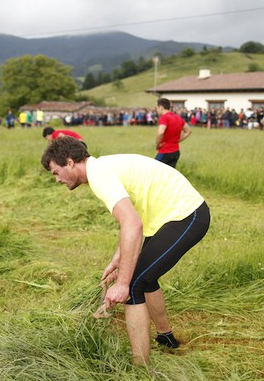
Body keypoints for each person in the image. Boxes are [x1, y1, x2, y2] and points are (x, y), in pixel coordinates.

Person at [41, 137, 210, 365]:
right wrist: (118, 258)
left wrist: (122, 282)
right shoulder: (102, 168)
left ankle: (141, 367)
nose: (57, 179)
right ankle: (166, 338)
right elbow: (132, 219)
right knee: (147, 279)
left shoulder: (100, 175)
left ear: (70, 162)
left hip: (186, 215)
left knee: (134, 285)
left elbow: (132, 224)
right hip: (168, 218)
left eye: (55, 172)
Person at [154, 98, 192, 168]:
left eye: (157, 107)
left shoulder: (164, 117)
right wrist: (176, 141)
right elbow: (188, 131)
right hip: (176, 152)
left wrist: (157, 144)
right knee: (169, 175)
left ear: (161, 107)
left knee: (154, 170)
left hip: (165, 151)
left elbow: (160, 132)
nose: (156, 110)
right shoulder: (178, 118)